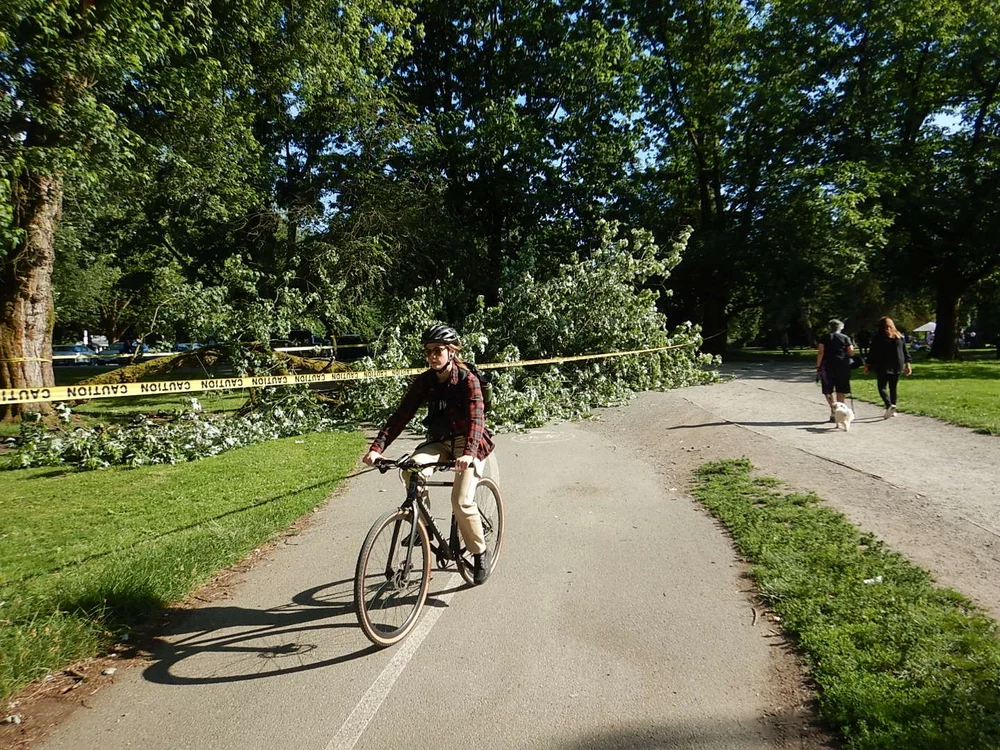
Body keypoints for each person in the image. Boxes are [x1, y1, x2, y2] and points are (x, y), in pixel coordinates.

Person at [363, 324, 496, 584]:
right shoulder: (426, 381)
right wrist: (377, 448)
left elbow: (477, 420)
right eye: (428, 351)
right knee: (410, 468)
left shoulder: (468, 380)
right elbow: (401, 416)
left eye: (438, 350)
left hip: (470, 442)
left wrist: (468, 454)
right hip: (440, 441)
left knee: (461, 501)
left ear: (452, 351)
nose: (432, 355)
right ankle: (421, 524)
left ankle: (481, 552)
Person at [864, 316, 912, 419]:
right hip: (898, 364)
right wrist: (908, 364)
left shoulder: (877, 338)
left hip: (883, 364)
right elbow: (905, 351)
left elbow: (872, 353)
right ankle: (893, 407)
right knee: (893, 387)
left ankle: (889, 405)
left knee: (882, 386)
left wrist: (867, 365)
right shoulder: (899, 336)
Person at [815, 319, 855, 422]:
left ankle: (833, 410)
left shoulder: (824, 337)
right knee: (841, 388)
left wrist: (818, 367)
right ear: (841, 327)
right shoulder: (846, 338)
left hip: (828, 365)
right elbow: (851, 352)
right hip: (842, 365)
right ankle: (840, 409)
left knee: (827, 389)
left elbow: (821, 352)